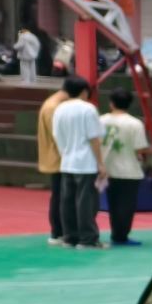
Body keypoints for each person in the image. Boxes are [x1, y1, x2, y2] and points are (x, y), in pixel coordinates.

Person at [50, 76, 106, 249]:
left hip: (67, 161)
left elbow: (57, 135)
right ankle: (88, 239)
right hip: (86, 163)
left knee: (67, 201)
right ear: (84, 92)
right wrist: (100, 163)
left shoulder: (59, 109)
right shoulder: (88, 109)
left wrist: (65, 153)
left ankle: (70, 237)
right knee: (86, 202)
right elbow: (94, 138)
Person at [99, 89, 148, 247]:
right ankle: (121, 235)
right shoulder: (135, 123)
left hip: (106, 168)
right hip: (129, 170)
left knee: (112, 204)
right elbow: (139, 148)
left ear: (111, 103)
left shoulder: (101, 120)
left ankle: (116, 233)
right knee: (126, 206)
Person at [35, 87, 71, 246]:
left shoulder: (52, 105)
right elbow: (57, 135)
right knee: (60, 196)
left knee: (59, 195)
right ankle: (58, 231)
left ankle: (59, 231)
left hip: (57, 157)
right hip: (58, 158)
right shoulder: (53, 108)